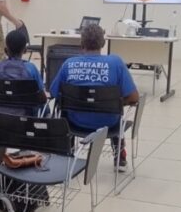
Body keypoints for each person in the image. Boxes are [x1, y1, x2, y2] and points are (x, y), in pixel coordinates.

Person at [50, 24, 139, 169]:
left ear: (82, 44)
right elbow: (134, 97)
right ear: (103, 43)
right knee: (117, 109)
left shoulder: (69, 64)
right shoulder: (116, 63)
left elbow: (53, 93)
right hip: (109, 124)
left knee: (64, 106)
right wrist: (115, 103)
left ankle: (68, 155)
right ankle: (119, 157)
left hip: (75, 123)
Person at [0, 29, 45, 115]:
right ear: (25, 50)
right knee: (45, 108)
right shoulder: (31, 68)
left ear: (5, 50)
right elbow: (42, 97)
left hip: (0, 116)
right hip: (26, 117)